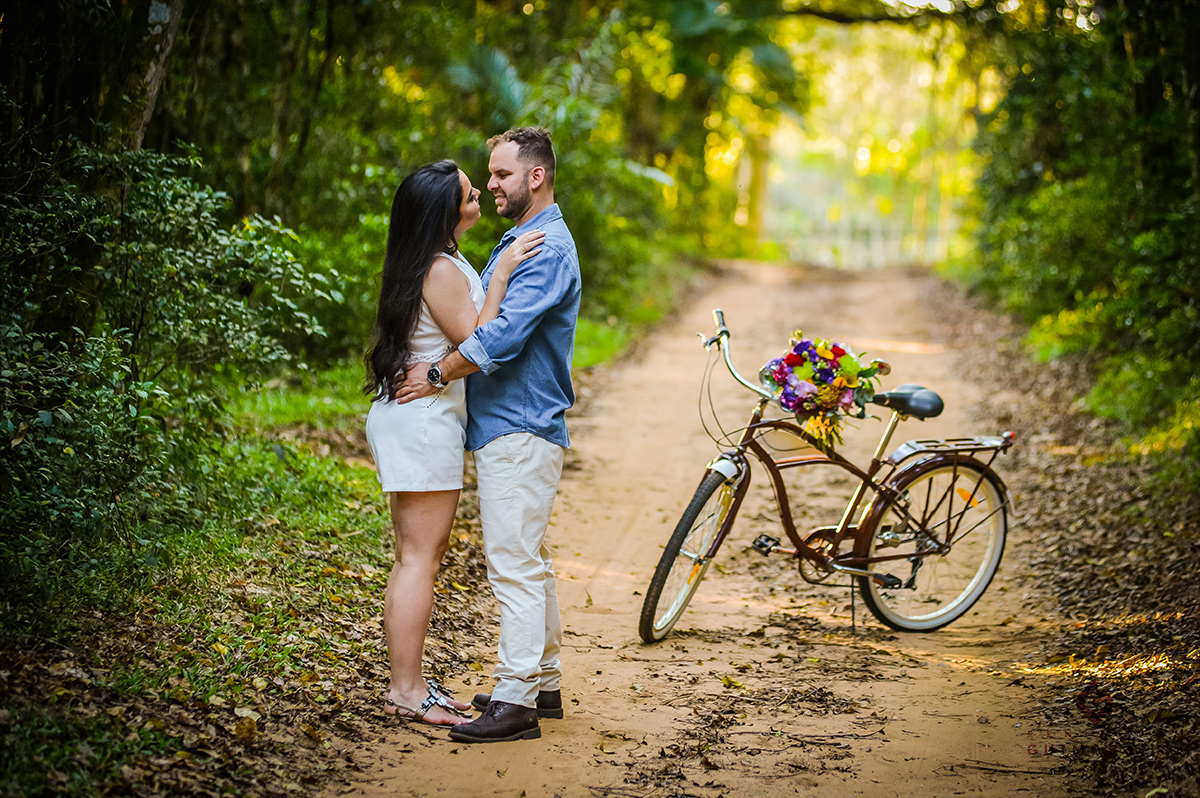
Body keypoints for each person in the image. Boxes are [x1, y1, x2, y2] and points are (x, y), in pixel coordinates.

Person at [393, 127, 581, 743]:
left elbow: (501, 336)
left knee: (512, 564)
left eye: (500, 175)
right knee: (528, 558)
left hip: (521, 424)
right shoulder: (524, 239)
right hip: (514, 425)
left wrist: (436, 371)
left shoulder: (545, 247)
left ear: (536, 176)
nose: (490, 185)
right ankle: (542, 683)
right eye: (488, 177)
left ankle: (516, 697)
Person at [364, 159, 545, 726]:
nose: (480, 194)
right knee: (419, 557)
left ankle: (410, 683)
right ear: (445, 210)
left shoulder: (438, 259)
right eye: (470, 192)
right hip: (423, 423)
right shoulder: (440, 268)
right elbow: (477, 338)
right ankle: (407, 690)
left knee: (415, 556)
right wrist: (501, 277)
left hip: (419, 418)